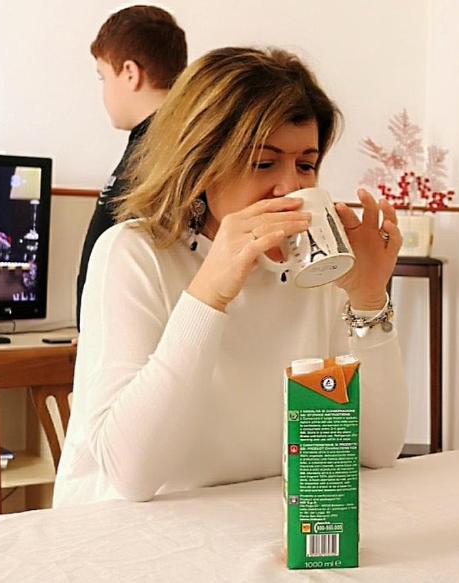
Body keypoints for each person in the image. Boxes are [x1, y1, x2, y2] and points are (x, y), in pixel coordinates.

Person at [54, 47, 408, 507]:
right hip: (129, 540)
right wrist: (209, 293)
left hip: (251, 527)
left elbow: (378, 451)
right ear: (200, 162)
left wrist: (367, 297)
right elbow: (131, 475)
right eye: (264, 163)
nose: (291, 188)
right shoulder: (134, 253)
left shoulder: (314, 267)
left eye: (306, 164)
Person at [76, 5, 188, 330]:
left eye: (103, 77)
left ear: (129, 72)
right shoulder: (148, 142)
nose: (104, 92)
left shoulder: (166, 149)